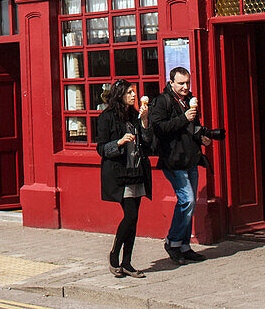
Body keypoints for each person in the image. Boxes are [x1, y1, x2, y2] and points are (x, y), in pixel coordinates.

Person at [150, 67, 225, 265]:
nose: (185, 87)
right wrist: (184, 118)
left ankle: (184, 246)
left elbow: (193, 128)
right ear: (171, 83)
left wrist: (203, 138)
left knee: (188, 204)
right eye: (181, 83)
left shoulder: (189, 101)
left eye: (187, 83)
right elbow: (159, 128)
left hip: (190, 158)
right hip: (172, 160)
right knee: (188, 200)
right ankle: (172, 241)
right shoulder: (162, 101)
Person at [96, 80, 153, 279]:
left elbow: (148, 143)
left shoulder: (134, 115)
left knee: (134, 218)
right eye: (129, 92)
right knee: (130, 216)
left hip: (136, 171)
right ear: (119, 94)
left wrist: (145, 122)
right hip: (120, 173)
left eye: (134, 92)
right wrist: (119, 142)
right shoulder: (106, 117)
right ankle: (114, 255)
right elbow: (101, 149)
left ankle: (127, 262)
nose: (133, 95)